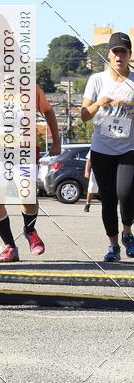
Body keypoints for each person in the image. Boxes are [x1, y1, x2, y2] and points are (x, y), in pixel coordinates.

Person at [0, 84, 61, 263]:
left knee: (27, 197)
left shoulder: (32, 89)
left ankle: (30, 230)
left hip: (25, 149)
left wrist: (55, 141)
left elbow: (48, 111)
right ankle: (9, 246)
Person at [81, 32, 134, 261]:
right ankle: (113, 246)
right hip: (102, 149)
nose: (119, 56)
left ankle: (127, 232)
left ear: (130, 55)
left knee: (126, 192)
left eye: (124, 52)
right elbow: (83, 115)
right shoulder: (97, 80)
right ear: (109, 55)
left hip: (128, 147)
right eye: (115, 52)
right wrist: (98, 104)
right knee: (109, 199)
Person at [83, 149, 98, 213]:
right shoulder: (95, 146)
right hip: (95, 170)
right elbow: (89, 160)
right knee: (91, 188)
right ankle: (87, 204)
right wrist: (87, 171)